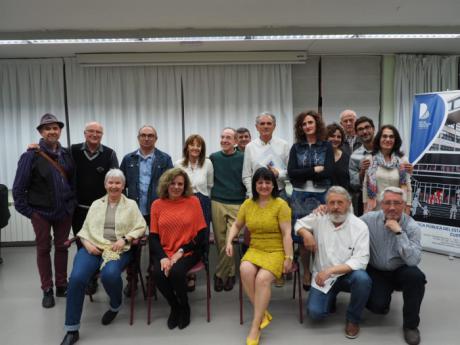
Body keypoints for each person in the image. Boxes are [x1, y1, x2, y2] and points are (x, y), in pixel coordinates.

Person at [60, 169, 146, 345]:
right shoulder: (96, 204)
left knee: (110, 275)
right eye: (110, 182)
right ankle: (72, 329)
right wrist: (87, 244)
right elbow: (84, 229)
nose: (114, 186)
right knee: (76, 279)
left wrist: (125, 239)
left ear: (123, 185)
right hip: (93, 247)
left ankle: (115, 304)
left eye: (118, 183)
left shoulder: (131, 205)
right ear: (105, 184)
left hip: (117, 249)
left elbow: (141, 227)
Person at [13, 113, 76, 308]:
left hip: (64, 211)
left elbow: (72, 181)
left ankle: (61, 285)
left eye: (55, 128)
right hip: (41, 213)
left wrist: (71, 204)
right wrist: (31, 213)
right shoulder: (30, 155)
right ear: (41, 132)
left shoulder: (66, 154)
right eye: (47, 128)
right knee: (43, 249)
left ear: (60, 131)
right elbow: (18, 189)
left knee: (62, 248)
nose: (52, 131)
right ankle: (47, 289)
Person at [226, 168, 293, 345]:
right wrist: (228, 241)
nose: (264, 186)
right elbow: (236, 225)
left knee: (262, 279)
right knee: (245, 269)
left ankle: (255, 327)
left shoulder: (281, 205)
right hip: (255, 248)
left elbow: (287, 234)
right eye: (260, 182)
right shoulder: (248, 204)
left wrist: (289, 257)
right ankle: (262, 313)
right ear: (255, 185)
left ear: (273, 185)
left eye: (267, 182)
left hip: (276, 250)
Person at [294, 186, 371, 339]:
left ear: (349, 204)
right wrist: (306, 234)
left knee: (363, 279)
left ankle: (353, 319)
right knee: (315, 314)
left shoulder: (359, 226)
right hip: (324, 278)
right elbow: (298, 224)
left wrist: (330, 271)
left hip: (346, 275)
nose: (335, 207)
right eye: (331, 203)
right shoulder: (319, 216)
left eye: (340, 203)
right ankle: (331, 298)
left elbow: (361, 260)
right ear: (326, 204)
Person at [361, 187, 426, 345]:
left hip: (400, 269)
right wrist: (323, 210)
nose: (392, 207)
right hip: (377, 270)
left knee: (416, 277)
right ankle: (384, 299)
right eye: (387, 202)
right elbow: (347, 223)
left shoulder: (412, 227)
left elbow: (413, 261)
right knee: (377, 307)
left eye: (397, 203)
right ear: (381, 204)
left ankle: (411, 326)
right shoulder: (368, 219)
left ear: (404, 205)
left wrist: (399, 233)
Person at [149, 168, 207, 330]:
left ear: (185, 185)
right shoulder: (157, 205)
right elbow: (153, 237)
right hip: (165, 251)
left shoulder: (193, 202)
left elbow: (202, 234)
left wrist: (180, 251)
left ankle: (185, 306)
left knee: (176, 272)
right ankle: (174, 306)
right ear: (166, 185)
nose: (176, 187)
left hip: (189, 250)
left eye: (180, 184)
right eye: (172, 183)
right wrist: (163, 257)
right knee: (158, 274)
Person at [120, 125, 173, 295]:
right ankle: (132, 280)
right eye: (143, 135)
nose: (147, 138)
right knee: (131, 246)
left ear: (156, 139)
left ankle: (152, 280)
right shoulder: (128, 159)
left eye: (150, 135)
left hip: (157, 210)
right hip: (134, 211)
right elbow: (121, 185)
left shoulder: (164, 159)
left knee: (155, 245)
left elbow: (170, 186)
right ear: (138, 137)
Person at [287, 110, 334, 291]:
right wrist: (315, 170)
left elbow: (329, 171)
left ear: (317, 125)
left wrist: (305, 172)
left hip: (322, 195)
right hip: (300, 195)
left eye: (310, 123)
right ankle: (306, 271)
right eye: (304, 124)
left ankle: (320, 272)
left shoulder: (326, 146)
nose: (307, 126)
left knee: (322, 237)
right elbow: (292, 172)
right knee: (303, 237)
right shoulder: (296, 147)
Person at [71, 121, 119, 294]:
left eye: (98, 132)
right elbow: (55, 157)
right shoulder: (72, 151)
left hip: (102, 211)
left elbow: (116, 179)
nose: (94, 134)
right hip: (78, 209)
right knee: (82, 245)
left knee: (101, 243)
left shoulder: (109, 153)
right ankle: (88, 279)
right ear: (85, 133)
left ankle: (99, 275)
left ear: (102, 135)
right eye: (91, 131)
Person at [175, 134, 213, 291]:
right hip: (184, 202)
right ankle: (185, 271)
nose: (195, 148)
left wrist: (202, 200)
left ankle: (199, 264)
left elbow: (210, 185)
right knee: (185, 235)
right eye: (192, 145)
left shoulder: (208, 163)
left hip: (202, 201)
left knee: (201, 235)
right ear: (187, 147)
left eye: (199, 145)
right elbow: (176, 185)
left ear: (202, 149)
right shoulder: (178, 164)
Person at [210, 127, 246, 292]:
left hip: (237, 203)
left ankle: (219, 274)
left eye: (229, 138)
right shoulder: (214, 158)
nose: (224, 140)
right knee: (220, 241)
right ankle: (230, 273)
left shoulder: (243, 157)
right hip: (217, 201)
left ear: (236, 142)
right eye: (222, 137)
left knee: (229, 241)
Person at [363, 125, 412, 213]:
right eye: (384, 136)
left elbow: (408, 187)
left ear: (395, 140)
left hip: (396, 210)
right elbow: (365, 187)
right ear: (379, 139)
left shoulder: (403, 160)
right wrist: (365, 209)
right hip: (375, 209)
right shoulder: (370, 159)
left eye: (391, 137)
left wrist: (407, 208)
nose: (388, 139)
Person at [242, 112, 289, 198]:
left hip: (279, 192)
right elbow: (246, 175)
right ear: (257, 127)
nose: (266, 126)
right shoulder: (250, 147)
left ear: (274, 126)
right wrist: (251, 193)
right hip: (257, 193)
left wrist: (279, 174)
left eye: (269, 123)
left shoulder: (284, 145)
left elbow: (290, 172)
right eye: (262, 124)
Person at [349, 116, 376, 216]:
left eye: (367, 127)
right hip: (364, 199)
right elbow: (354, 184)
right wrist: (362, 172)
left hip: (386, 197)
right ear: (356, 133)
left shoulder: (385, 150)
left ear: (373, 129)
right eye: (360, 129)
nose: (364, 131)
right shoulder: (354, 156)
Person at [326, 123, 350, 190]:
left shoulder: (346, 157)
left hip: (341, 197)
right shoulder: (319, 156)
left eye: (339, 137)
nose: (336, 139)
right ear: (326, 137)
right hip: (323, 197)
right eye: (332, 136)